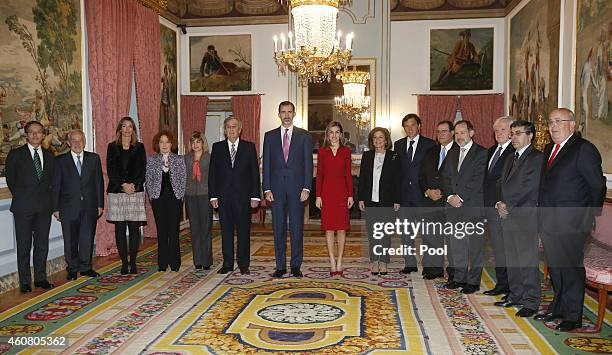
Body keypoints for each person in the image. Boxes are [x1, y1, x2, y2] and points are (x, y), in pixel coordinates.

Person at [535, 108, 605, 332]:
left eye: (558, 121)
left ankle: (573, 316)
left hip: (572, 223)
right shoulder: (549, 149)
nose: (553, 126)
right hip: (549, 220)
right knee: (556, 267)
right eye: (550, 122)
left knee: (571, 269)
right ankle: (559, 306)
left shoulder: (583, 149)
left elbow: (597, 185)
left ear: (572, 125)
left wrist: (586, 217)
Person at [494, 120, 543, 318]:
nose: (513, 137)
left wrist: (508, 205)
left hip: (525, 216)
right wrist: (499, 202)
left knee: (527, 260)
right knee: (512, 258)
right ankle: (515, 295)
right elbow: (502, 184)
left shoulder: (537, 158)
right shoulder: (510, 157)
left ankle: (531, 301)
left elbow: (530, 187)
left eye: (518, 133)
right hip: (507, 215)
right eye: (512, 133)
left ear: (530, 136)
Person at [263, 101, 314, 278]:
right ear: (279, 114)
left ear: (294, 114)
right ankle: (280, 266)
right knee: (278, 228)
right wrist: (266, 188)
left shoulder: (304, 136)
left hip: (297, 190)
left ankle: (295, 265)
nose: (286, 115)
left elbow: (308, 164)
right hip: (276, 190)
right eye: (283, 112)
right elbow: (266, 165)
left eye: (289, 112)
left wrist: (307, 187)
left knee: (296, 228)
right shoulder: (269, 136)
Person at [6, 121, 55, 293]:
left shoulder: (50, 155)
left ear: (43, 134)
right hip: (23, 207)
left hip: (44, 208)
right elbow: (11, 180)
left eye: (39, 132)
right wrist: (23, 197)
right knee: (24, 245)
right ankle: (25, 281)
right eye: (31, 132)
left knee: (42, 244)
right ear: (26, 134)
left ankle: (41, 278)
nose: (35, 135)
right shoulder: (15, 154)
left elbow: (52, 182)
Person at [209, 117, 261, 275]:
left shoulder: (249, 147)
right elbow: (213, 174)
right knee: (226, 232)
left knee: (244, 232)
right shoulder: (217, 148)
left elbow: (254, 173)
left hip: (243, 198)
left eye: (234, 127)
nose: (231, 130)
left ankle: (244, 264)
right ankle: (228, 263)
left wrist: (255, 196)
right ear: (225, 130)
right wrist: (213, 196)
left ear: (240, 130)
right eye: (228, 127)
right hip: (223, 198)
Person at [440, 120, 487, 294]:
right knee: (456, 245)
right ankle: (459, 278)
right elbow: (444, 177)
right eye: (457, 133)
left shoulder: (481, 153)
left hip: (472, 207)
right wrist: (450, 196)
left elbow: (478, 179)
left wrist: (459, 197)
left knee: (474, 246)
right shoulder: (452, 153)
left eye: (463, 133)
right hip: (452, 207)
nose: (459, 136)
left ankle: (473, 281)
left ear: (472, 133)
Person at [52, 130, 104, 280]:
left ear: (84, 141)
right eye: (73, 141)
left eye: (80, 140)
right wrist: (56, 208)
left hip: (90, 206)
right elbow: (56, 186)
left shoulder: (93, 159)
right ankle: (73, 268)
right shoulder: (60, 161)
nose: (77, 143)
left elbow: (98, 182)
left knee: (87, 237)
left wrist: (100, 204)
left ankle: (86, 267)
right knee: (70, 239)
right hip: (68, 207)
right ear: (68, 143)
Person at [394, 113, 436, 274]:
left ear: (419, 126)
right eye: (406, 126)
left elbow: (432, 171)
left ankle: (428, 264)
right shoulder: (398, 145)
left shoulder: (430, 144)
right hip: (404, 197)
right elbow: (397, 173)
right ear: (403, 128)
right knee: (406, 233)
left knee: (427, 233)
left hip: (423, 195)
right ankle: (410, 263)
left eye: (413, 125)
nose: (410, 128)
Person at [106, 117, 147, 275]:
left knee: (134, 228)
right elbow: (111, 170)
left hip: (135, 192)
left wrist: (133, 185)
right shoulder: (112, 147)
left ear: (133, 130)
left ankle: (134, 262)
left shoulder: (139, 147)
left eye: (130, 126)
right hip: (117, 191)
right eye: (124, 126)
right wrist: (123, 184)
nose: (127, 129)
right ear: (120, 129)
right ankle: (124, 263)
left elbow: (142, 169)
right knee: (120, 228)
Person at [419, 121, 458, 280]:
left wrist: (445, 193)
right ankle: (433, 269)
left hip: (450, 203)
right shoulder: (431, 151)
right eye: (438, 131)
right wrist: (427, 191)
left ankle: (454, 272)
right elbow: (421, 175)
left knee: (452, 240)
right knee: (431, 237)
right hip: (431, 202)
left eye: (444, 131)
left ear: (452, 133)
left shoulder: (459, 151)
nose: (440, 134)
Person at [358, 127, 400, 276]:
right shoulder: (367, 156)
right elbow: (362, 179)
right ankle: (375, 261)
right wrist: (361, 198)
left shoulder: (393, 156)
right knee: (373, 233)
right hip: (370, 201)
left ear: (386, 140)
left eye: (381, 137)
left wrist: (397, 199)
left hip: (387, 201)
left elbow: (397, 180)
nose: (378, 140)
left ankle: (384, 262)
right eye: (375, 138)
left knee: (385, 233)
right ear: (372, 141)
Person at [315, 121, 354, 276]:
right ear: (327, 134)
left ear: (341, 134)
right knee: (329, 228)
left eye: (337, 132)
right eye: (331, 132)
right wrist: (318, 196)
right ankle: (332, 260)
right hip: (326, 193)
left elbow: (348, 175)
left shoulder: (346, 151)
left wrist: (351, 194)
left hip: (342, 193)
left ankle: (339, 260)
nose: (334, 135)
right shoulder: (323, 152)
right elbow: (319, 176)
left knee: (342, 229)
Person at [482, 116, 515, 297]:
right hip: (489, 207)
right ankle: (502, 284)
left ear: (511, 131)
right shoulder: (491, 150)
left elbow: (509, 182)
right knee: (498, 249)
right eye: (496, 130)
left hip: (504, 209)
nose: (498, 133)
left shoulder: (514, 151)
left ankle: (511, 286)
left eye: (502, 129)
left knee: (508, 250)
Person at [146, 131, 186, 272]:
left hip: (174, 199)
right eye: (161, 142)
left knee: (173, 231)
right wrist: (151, 196)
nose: (164, 145)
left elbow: (183, 179)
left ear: (171, 144)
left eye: (167, 142)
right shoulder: (152, 160)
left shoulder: (179, 159)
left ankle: (175, 263)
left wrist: (180, 196)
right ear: (158, 144)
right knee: (162, 231)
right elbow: (148, 180)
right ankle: (162, 263)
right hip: (158, 200)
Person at [184, 131, 213, 270]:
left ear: (203, 143)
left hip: (205, 195)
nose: (195, 145)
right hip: (190, 196)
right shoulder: (186, 158)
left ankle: (206, 260)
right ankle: (198, 260)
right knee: (195, 229)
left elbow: (214, 177)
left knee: (205, 228)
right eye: (193, 142)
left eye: (198, 141)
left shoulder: (209, 158)